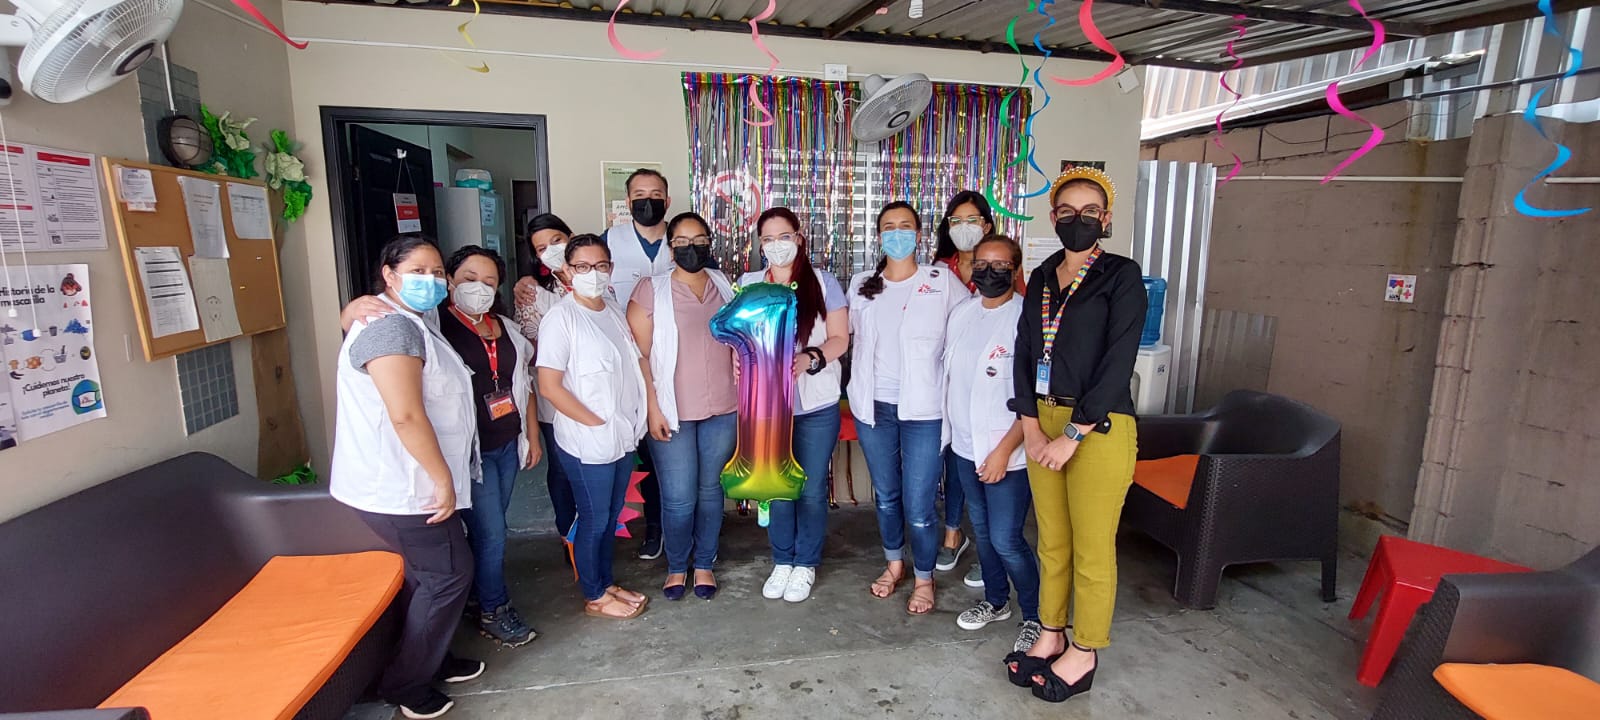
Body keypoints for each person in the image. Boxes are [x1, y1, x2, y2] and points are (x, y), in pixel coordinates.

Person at [329, 235, 484, 719]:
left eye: (439, 273)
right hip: (402, 486)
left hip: (408, 481)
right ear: (389, 276)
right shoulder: (391, 328)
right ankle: (405, 685)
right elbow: (406, 416)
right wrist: (441, 480)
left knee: (426, 577)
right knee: (448, 576)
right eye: (418, 271)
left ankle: (430, 657)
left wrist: (350, 308)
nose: (432, 281)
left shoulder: (410, 318)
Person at [1008, 167, 1144, 703]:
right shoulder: (1041, 277)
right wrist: (1032, 430)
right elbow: (1024, 354)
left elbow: (1118, 362)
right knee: (1053, 543)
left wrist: (1074, 434)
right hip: (1042, 423)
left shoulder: (1121, 276)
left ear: (1105, 220)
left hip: (1099, 428)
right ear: (1053, 217)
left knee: (1092, 548)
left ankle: (1084, 649)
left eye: (1091, 213)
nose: (1079, 220)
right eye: (1068, 212)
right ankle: (1051, 632)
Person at [847, 201, 970, 615]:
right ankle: (894, 564)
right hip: (874, 406)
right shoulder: (863, 283)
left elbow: (967, 334)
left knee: (918, 504)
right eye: (888, 227)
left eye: (905, 226)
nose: (896, 233)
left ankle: (924, 577)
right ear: (878, 236)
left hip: (925, 411)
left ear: (918, 235)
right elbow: (843, 337)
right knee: (886, 496)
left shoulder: (943, 281)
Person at [535, 234, 653, 620]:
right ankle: (594, 595)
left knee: (611, 513)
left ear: (611, 269)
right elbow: (549, 386)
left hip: (620, 437)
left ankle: (606, 581)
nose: (593, 274)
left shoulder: (613, 310)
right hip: (589, 441)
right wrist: (596, 423)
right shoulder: (562, 318)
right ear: (568, 271)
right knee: (594, 518)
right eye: (583, 267)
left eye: (601, 266)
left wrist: (626, 422)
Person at [739, 208, 849, 603]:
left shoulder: (822, 282)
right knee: (778, 485)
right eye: (767, 239)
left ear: (799, 238)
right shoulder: (748, 284)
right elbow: (739, 340)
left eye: (783, 237)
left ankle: (806, 563)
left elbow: (840, 338)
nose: (776, 246)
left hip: (815, 406)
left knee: (812, 488)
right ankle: (782, 560)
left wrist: (810, 359)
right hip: (768, 407)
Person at [627, 212, 737, 601]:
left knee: (710, 491)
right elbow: (639, 356)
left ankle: (704, 562)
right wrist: (652, 408)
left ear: (710, 241)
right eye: (682, 242)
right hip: (671, 412)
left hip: (723, 408)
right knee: (677, 497)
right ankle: (677, 567)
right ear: (670, 247)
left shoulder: (723, 285)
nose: (692, 248)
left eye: (699, 239)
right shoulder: (650, 290)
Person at [940, 235, 1041, 654]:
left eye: (1000, 265)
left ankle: (1039, 618)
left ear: (1016, 270)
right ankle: (996, 602)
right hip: (965, 448)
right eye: (981, 263)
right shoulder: (963, 313)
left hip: (1008, 454)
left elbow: (1033, 397)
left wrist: (1003, 450)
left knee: (1006, 539)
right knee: (982, 533)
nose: (988, 272)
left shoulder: (1026, 320)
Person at [439, 245, 541, 648]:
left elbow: (524, 385)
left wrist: (531, 434)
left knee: (488, 528)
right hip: (470, 449)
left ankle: (475, 593)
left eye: (488, 281)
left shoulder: (505, 327)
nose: (478, 288)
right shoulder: (436, 327)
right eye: (468, 279)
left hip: (505, 441)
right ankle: (493, 609)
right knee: (493, 532)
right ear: (449, 280)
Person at [606, 168, 675, 559]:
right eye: (639, 194)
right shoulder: (610, 241)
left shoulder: (682, 238)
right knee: (643, 450)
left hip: (673, 360)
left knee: (672, 447)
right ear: (628, 201)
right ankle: (654, 526)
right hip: (625, 362)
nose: (647, 200)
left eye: (655, 194)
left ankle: (677, 526)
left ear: (667, 201)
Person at [512, 213, 578, 541]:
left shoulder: (599, 277)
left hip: (599, 391)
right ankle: (569, 536)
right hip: (555, 395)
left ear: (571, 236)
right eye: (541, 248)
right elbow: (528, 350)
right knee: (563, 469)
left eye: (556, 241)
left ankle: (599, 535)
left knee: (597, 467)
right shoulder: (533, 292)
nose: (551, 250)